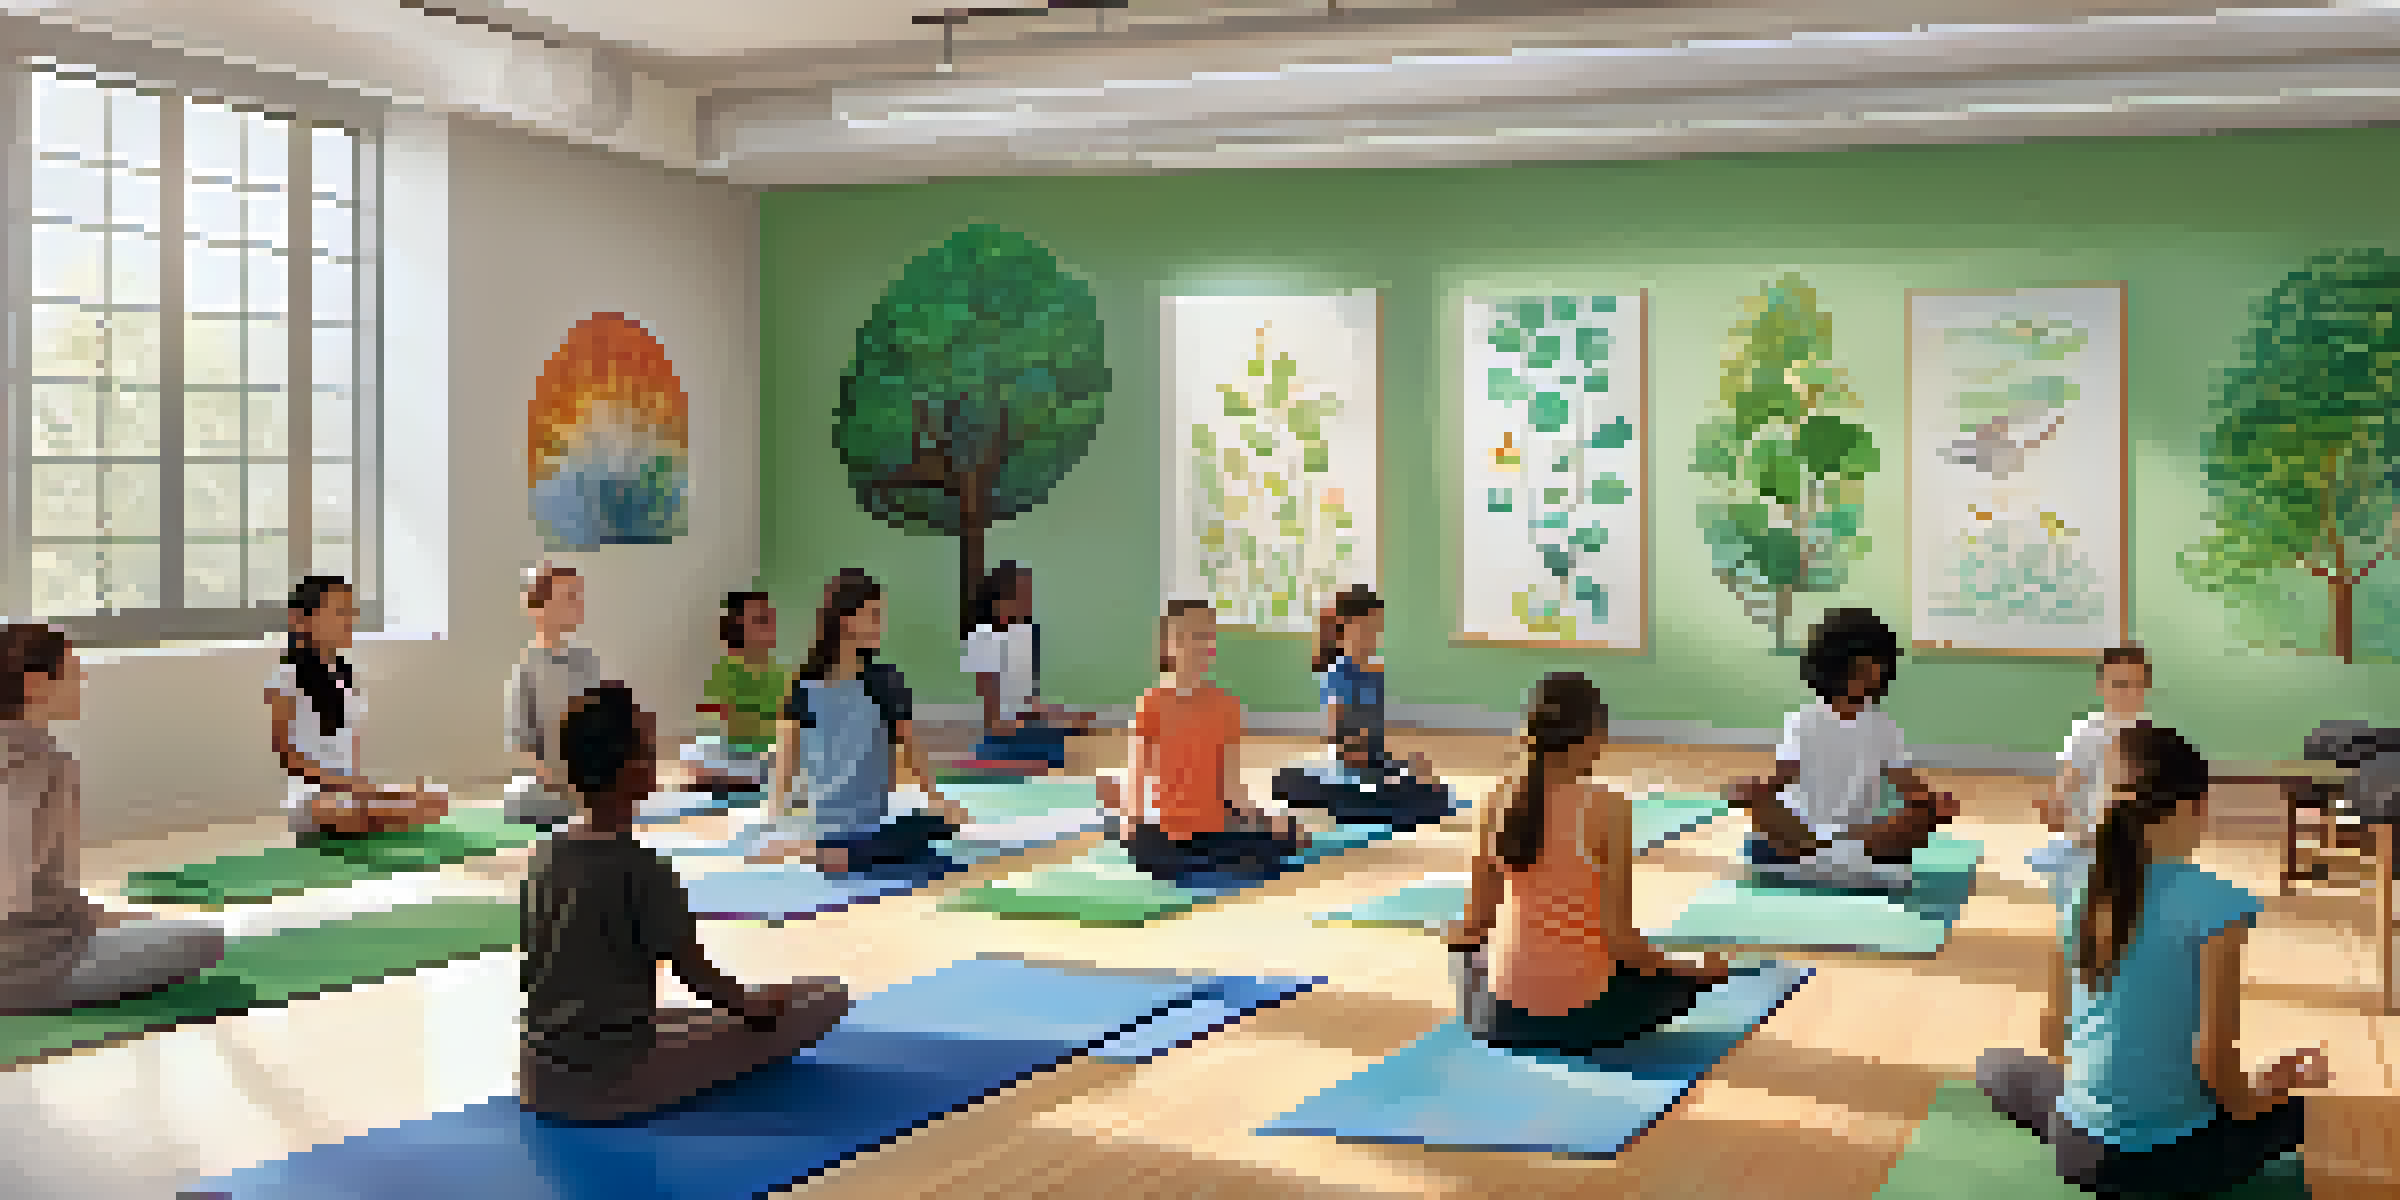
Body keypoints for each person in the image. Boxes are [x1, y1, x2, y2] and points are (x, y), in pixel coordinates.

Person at [1975, 723, 2326, 1195]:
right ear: (2196, 807)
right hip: (2171, 1163)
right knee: (2297, 1113)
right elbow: (2216, 1067)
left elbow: (2054, 1032)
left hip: (2077, 1149)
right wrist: (2270, 1089)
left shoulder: (2083, 890)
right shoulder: (2221, 906)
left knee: (1994, 1066)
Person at [518, 682, 851, 1123]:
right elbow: (698, 977)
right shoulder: (640, 867)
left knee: (702, 1014)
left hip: (538, 1067)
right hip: (607, 1078)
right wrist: (759, 1008)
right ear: (631, 768)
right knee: (823, 997)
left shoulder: (543, 855)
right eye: (649, 747)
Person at [1443, 673, 1731, 1057]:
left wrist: (1457, 942)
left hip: (1497, 1018)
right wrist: (1690, 969)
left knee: (1465, 951)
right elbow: (1621, 942)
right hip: (1582, 1018)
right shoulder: (1607, 807)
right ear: (1595, 737)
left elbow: (1475, 925)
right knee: (1675, 982)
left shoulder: (1496, 799)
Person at [0, 625, 226, 1015]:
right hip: (30, 967)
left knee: (150, 924)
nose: (83, 679)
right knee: (205, 938)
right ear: (36, 684)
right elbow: (10, 880)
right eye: (72, 671)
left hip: (41, 938)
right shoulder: (41, 759)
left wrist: (118, 917)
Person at [749, 570, 972, 873]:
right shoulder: (806, 687)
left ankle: (833, 854)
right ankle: (826, 853)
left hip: (865, 824)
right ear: (846, 620)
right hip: (832, 826)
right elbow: (785, 761)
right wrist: (773, 822)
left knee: (941, 821)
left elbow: (911, 747)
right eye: (874, 615)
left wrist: (936, 797)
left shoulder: (883, 681)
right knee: (922, 833)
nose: (881, 625)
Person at [1727, 608, 1958, 891]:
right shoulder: (1803, 720)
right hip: (1804, 833)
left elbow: (1905, 783)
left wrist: (1934, 802)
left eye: (1876, 673)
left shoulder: (1883, 726)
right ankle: (1831, 859)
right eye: (1860, 672)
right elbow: (1784, 776)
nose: (1868, 681)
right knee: (1764, 808)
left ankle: (1834, 860)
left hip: (1862, 836)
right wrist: (1756, 791)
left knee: (1921, 815)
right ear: (1832, 668)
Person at [1099, 599, 1309, 881]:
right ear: (1170, 642)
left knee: (1276, 850)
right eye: (1190, 635)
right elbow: (1138, 773)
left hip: (1213, 828)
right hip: (1166, 832)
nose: (1200, 645)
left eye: (1206, 636)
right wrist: (1132, 820)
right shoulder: (1150, 704)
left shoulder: (1227, 705)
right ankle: (1119, 821)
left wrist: (1268, 819)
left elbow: (1232, 786)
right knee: (1154, 857)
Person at [264, 576, 447, 841]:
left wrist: (366, 791)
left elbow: (349, 753)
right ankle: (380, 819)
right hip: (314, 798)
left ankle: (380, 818)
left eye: (351, 612)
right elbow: (287, 756)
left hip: (350, 794)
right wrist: (345, 786)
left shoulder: (345, 675)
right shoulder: (286, 677)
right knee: (348, 811)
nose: (350, 620)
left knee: (435, 797)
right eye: (340, 612)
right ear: (306, 619)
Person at [1269, 585, 1453, 829]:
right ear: (1344, 629)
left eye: (1377, 630)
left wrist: (1402, 763)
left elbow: (1375, 738)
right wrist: (1384, 772)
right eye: (1366, 630)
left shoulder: (1376, 670)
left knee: (1434, 787)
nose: (1373, 638)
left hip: (1374, 763)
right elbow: (1340, 742)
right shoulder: (1338, 674)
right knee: (1402, 801)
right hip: (1351, 769)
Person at [2030, 646, 2154, 908]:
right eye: (2119, 684)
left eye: (2136, 685)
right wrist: (2064, 817)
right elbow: (2064, 789)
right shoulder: (2085, 732)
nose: (2128, 693)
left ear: (2146, 688)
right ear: (2102, 687)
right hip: (2084, 842)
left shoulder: (2153, 738)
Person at [961, 561, 1094, 772]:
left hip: (1027, 730)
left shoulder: (1027, 635)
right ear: (1000, 600)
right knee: (1061, 752)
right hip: (1002, 740)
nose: (1028, 602)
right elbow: (995, 723)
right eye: (1021, 594)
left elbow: (1030, 703)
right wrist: (1048, 726)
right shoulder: (983, 640)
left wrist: (1066, 718)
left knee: (1081, 739)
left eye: (1029, 594)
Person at [502, 563, 606, 829]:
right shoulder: (527, 670)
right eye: (569, 597)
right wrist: (554, 778)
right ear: (539, 608)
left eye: (579, 596)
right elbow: (521, 741)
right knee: (520, 797)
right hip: (550, 783)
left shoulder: (587, 661)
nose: (578, 604)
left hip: (589, 777)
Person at [683, 591, 786, 793]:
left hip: (772, 771)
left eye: (772, 619)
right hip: (738, 769)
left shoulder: (783, 676)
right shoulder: (724, 675)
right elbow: (703, 742)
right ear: (738, 628)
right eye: (762, 620)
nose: (772, 627)